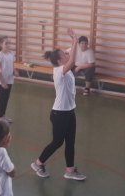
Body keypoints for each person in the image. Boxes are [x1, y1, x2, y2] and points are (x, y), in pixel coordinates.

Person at [31, 28, 86, 181]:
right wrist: (75, 40)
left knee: (70, 142)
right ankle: (38, 163)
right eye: (65, 54)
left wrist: (73, 41)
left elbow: (71, 54)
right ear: (60, 61)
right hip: (59, 113)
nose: (67, 54)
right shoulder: (58, 71)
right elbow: (72, 60)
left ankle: (70, 171)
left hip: (69, 111)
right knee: (57, 142)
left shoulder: (63, 66)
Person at [0, 36, 19, 123]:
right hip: (2, 81)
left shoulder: (11, 54)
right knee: (2, 98)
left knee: (6, 98)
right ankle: (0, 117)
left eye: (9, 43)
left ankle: (4, 115)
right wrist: (2, 83)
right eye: (6, 43)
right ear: (1, 44)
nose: (8, 45)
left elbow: (12, 66)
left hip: (9, 80)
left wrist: (14, 72)